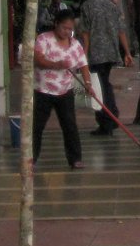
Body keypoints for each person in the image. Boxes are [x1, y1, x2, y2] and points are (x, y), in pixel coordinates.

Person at [33, 9, 94, 170]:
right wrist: (56, 65)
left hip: (65, 90)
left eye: (70, 29)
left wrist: (88, 83)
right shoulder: (43, 39)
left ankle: (75, 159)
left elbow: (83, 64)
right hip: (43, 90)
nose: (67, 32)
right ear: (56, 24)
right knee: (37, 126)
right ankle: (31, 158)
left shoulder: (75, 44)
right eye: (64, 28)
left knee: (70, 125)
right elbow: (38, 59)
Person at [77, 0, 133, 137]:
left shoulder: (86, 6)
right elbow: (121, 31)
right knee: (103, 83)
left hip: (95, 54)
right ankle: (108, 119)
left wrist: (84, 57)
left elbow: (85, 34)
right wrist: (127, 53)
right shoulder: (112, 6)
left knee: (99, 87)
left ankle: (108, 119)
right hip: (111, 53)